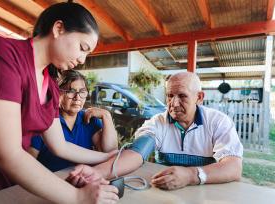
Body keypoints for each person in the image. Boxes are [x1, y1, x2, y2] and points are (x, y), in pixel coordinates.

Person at [0, 2, 119, 203]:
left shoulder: (50, 87)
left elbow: (61, 146)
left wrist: (108, 157)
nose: (82, 60)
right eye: (82, 48)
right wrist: (77, 197)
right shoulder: (2, 54)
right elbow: (6, 153)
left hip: (9, 187)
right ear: (58, 28)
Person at [66, 72, 243, 190]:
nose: (173, 104)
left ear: (199, 97)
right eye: (169, 96)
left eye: (182, 96)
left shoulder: (218, 122)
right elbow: (136, 153)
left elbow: (233, 167)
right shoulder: (157, 123)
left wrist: (190, 175)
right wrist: (97, 173)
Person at [28, 70, 118, 172]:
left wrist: (107, 116)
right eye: (71, 91)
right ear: (58, 93)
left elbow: (110, 152)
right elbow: (28, 166)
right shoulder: (47, 120)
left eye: (82, 92)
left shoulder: (89, 119)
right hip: (52, 182)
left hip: (82, 179)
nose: (77, 97)